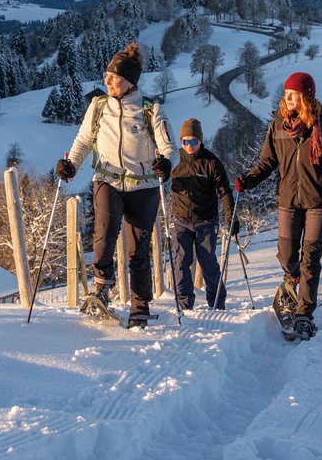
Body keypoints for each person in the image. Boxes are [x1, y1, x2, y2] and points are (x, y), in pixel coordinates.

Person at [56, 43, 177, 328]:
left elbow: (169, 147)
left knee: (138, 250)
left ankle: (140, 305)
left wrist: (166, 163)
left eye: (114, 76)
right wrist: (71, 164)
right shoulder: (98, 107)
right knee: (103, 234)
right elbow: (84, 141)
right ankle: (102, 287)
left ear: (130, 81)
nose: (107, 80)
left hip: (143, 187)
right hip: (107, 180)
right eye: (107, 74)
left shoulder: (151, 111)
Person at [236, 72, 322, 340]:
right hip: (288, 200)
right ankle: (290, 284)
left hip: (319, 200)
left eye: (293, 94)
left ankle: (304, 315)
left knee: (311, 259)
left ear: (306, 96)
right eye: (286, 93)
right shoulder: (277, 126)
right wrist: (248, 181)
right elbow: (267, 162)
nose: (288, 98)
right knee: (287, 256)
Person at [170, 118, 239, 311]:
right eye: (185, 141)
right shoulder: (175, 161)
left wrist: (230, 215)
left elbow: (224, 191)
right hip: (181, 219)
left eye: (193, 141)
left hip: (206, 221)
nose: (189, 146)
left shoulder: (211, 162)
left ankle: (217, 303)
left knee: (208, 262)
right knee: (181, 262)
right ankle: (184, 305)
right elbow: (159, 175)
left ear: (200, 141)